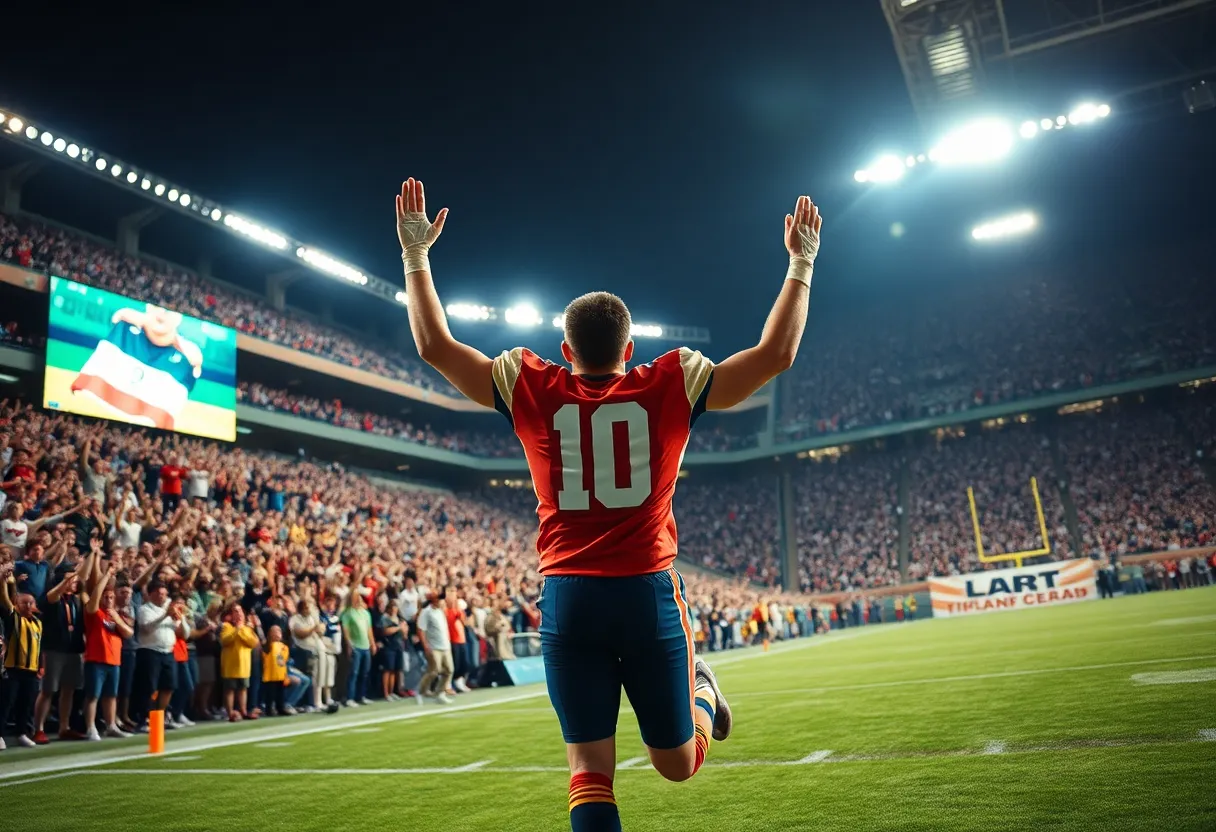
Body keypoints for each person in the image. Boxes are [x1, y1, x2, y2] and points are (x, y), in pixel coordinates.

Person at [397, 177, 822, 831]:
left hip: (569, 596)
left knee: (589, 770)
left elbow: (433, 346)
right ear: (630, 350)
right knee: (676, 765)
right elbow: (777, 354)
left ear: (565, 351)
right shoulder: (670, 380)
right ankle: (701, 693)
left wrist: (415, 256)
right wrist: (801, 263)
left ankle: (703, 689)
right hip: (645, 592)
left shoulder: (530, 382)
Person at [0, 562, 43, 748]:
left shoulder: (37, 623)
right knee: (6, 703)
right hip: (13, 668)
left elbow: (40, 647)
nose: (28, 605)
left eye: (31, 603)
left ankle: (21, 733)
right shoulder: (14, 618)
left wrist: (41, 665)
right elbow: (5, 600)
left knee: (26, 704)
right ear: (17, 604)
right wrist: (3, 582)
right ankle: (0, 734)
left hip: (31, 669)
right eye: (24, 602)